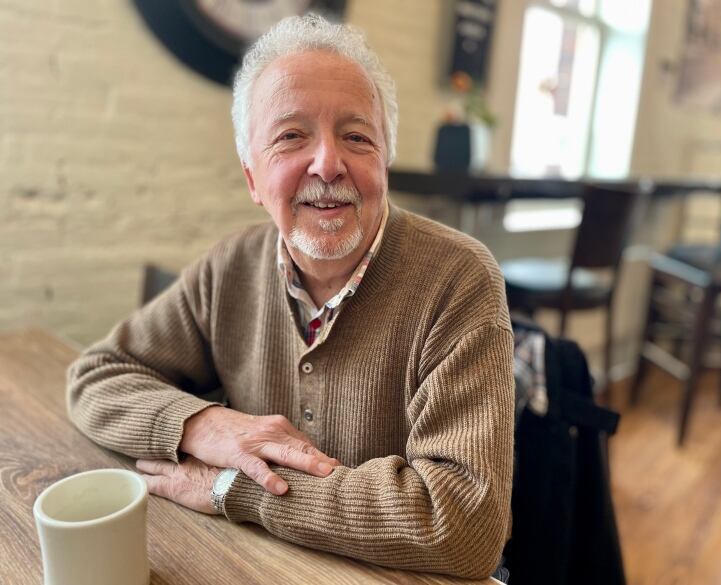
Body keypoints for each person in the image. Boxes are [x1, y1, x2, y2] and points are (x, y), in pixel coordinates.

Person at [66, 14, 514, 580]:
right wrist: (203, 425)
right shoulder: (230, 267)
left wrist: (238, 487)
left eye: (356, 136)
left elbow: (464, 522)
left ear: (385, 163)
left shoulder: (459, 280)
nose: (328, 163)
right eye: (291, 136)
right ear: (253, 177)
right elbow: (95, 376)